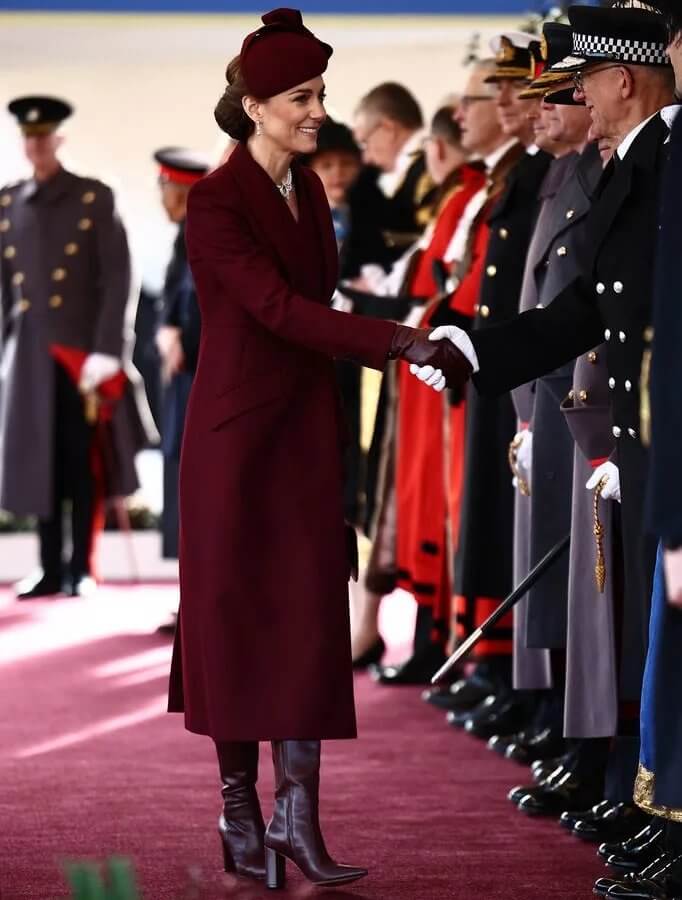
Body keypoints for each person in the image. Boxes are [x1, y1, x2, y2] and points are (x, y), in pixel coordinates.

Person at [165, 7, 468, 888]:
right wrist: (402, 340)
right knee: (233, 624)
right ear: (254, 105)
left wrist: (392, 342)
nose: (317, 111)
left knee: (304, 620)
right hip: (234, 446)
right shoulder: (217, 200)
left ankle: (298, 817)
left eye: (321, 95)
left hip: (302, 435)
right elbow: (277, 311)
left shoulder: (310, 193)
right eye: (301, 97)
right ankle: (239, 814)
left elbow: (307, 313)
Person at [0, 95, 140, 599]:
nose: (37, 144)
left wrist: (109, 348)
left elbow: (119, 276)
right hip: (28, 358)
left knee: (81, 465)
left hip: (79, 355)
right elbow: (3, 289)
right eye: (29, 137)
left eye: (45, 136)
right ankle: (48, 567)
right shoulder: (7, 202)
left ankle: (80, 565)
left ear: (59, 138)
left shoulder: (93, 197)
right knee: (37, 463)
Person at [153, 147, 209, 560]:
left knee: (197, 486)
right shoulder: (182, 234)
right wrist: (164, 332)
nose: (161, 199)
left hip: (198, 374)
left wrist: (178, 338)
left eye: (166, 190)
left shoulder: (202, 231)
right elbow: (168, 303)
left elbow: (197, 302)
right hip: (182, 376)